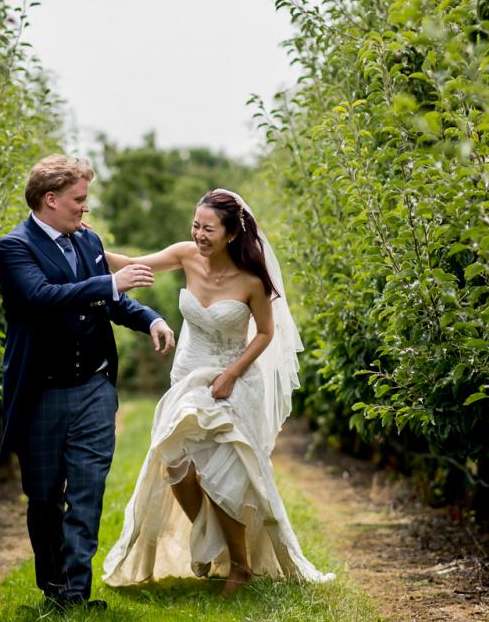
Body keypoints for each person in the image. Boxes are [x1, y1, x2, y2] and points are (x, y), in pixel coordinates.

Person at [100, 189, 333, 593]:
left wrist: (229, 375)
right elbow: (132, 265)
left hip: (234, 377)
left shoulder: (252, 280)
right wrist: (88, 243)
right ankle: (209, 539)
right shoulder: (186, 255)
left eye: (208, 228)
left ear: (230, 234)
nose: (199, 235)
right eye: (195, 226)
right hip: (188, 373)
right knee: (175, 461)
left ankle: (240, 566)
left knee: (222, 474)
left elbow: (264, 333)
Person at [0, 154, 176, 611]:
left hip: (94, 388)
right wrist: (109, 284)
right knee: (44, 498)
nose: (85, 209)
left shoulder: (88, 240)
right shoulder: (13, 248)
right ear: (50, 200)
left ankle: (76, 593)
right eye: (79, 199)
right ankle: (53, 587)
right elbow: (39, 298)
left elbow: (114, 304)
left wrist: (149, 317)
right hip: (41, 393)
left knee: (89, 492)